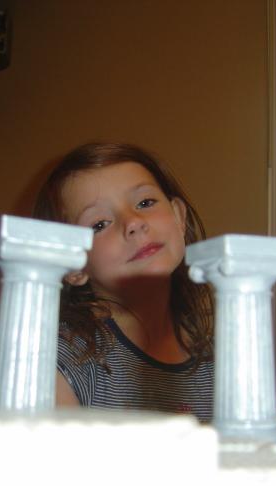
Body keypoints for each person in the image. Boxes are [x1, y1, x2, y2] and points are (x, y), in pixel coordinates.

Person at [32, 142, 214, 422]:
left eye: (145, 203)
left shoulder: (220, 358)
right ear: (72, 264)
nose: (133, 222)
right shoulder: (58, 362)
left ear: (178, 216)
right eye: (99, 224)